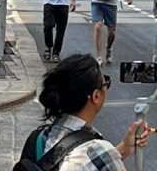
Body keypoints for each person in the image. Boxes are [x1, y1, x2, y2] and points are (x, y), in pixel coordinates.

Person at [14, 54, 148, 170]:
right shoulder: (101, 151)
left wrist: (124, 148)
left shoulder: (38, 138)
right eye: (105, 82)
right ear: (96, 96)